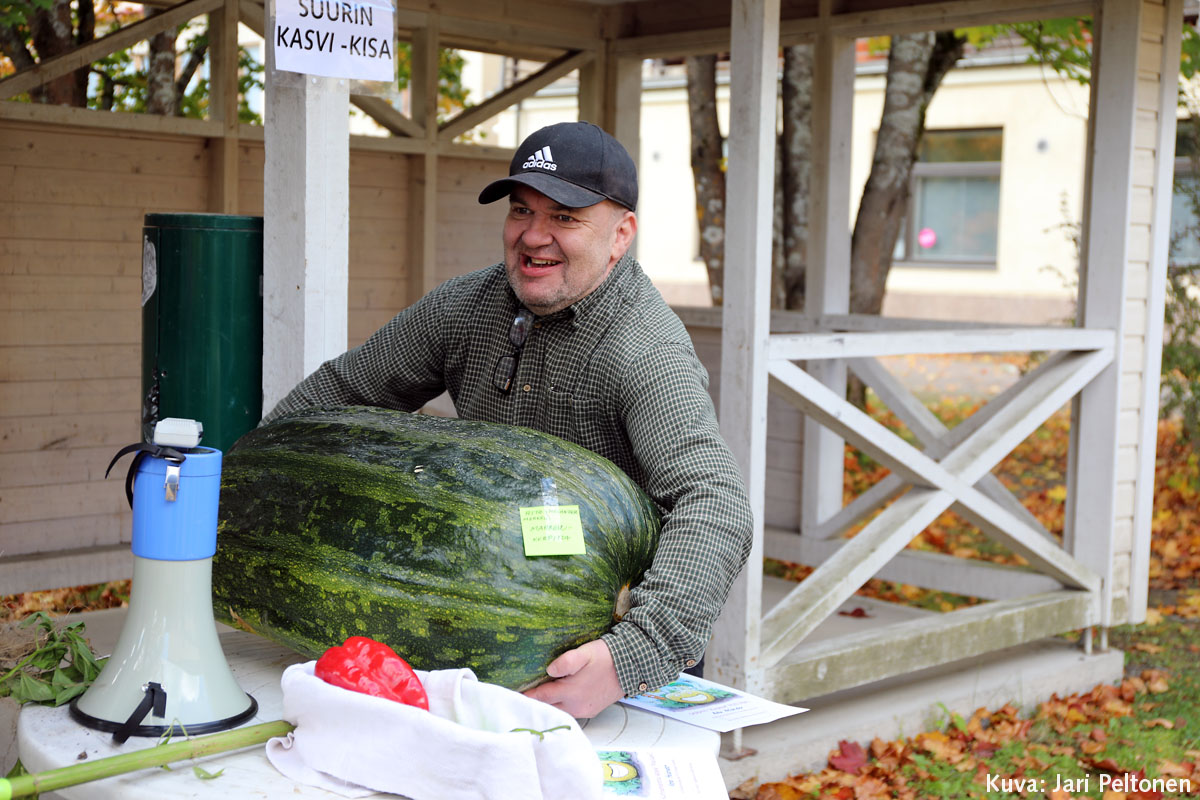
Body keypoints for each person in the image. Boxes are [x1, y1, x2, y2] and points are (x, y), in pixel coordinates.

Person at [263, 121, 753, 718]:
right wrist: (242, 477)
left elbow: (716, 502)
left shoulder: (644, 349)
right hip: (485, 631)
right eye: (521, 210)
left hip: (610, 656)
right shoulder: (465, 307)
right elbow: (339, 393)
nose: (534, 236)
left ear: (621, 234)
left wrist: (633, 654)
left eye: (565, 217)